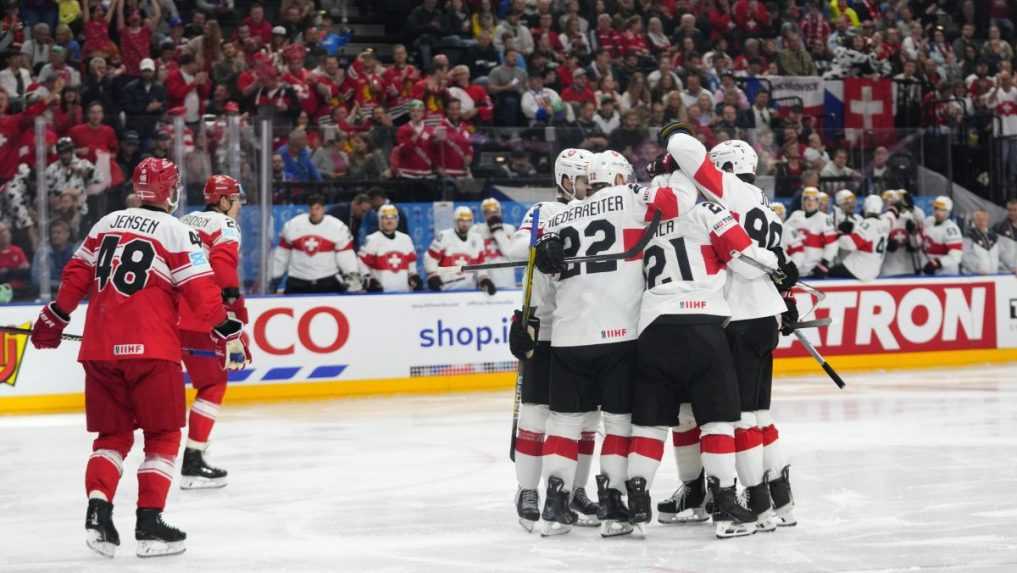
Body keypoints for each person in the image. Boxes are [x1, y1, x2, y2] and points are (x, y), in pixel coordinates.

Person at [28, 157, 244, 558]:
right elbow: (200, 289)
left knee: (111, 437)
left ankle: (98, 511)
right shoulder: (177, 231)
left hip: (98, 349)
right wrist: (226, 327)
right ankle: (149, 525)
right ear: (171, 191)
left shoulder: (105, 222)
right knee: (162, 436)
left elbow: (76, 274)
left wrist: (55, 317)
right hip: (153, 350)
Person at [532, 150, 679, 537]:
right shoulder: (631, 196)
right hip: (619, 335)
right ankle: (613, 506)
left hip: (567, 336)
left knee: (563, 424)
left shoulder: (558, 216)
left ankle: (554, 506)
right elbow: (670, 201)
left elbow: (543, 285)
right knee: (617, 424)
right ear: (617, 178)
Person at [662, 132, 798, 531]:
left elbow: (689, 154)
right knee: (759, 415)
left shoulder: (730, 191)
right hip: (765, 317)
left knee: (735, 419)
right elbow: (778, 266)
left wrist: (674, 134)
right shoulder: (768, 208)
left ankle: (755, 503)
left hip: (736, 317)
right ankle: (779, 500)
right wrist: (785, 302)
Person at [507, 148, 601, 532]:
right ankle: (528, 490)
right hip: (544, 325)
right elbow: (513, 250)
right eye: (582, 180)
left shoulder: (599, 211)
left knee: (585, 419)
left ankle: (574, 489)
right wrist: (542, 242)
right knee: (536, 413)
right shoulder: (543, 211)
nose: (587, 186)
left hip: (584, 325)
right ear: (565, 180)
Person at [177, 175, 251, 490]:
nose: (237, 208)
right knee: (213, 385)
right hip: (202, 316)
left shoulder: (183, 220)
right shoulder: (225, 225)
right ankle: (192, 461)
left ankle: (162, 458)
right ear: (222, 201)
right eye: (235, 201)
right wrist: (234, 310)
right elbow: (222, 267)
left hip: (169, 315)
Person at [270, 194, 361, 293]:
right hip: (298, 281)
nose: (314, 212)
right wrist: (275, 277)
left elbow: (346, 255)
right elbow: (282, 255)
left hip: (327, 281)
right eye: (311, 208)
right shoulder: (292, 225)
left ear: (323, 209)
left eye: (317, 208)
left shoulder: (337, 227)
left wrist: (352, 276)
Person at [424, 206, 495, 294]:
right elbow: (430, 257)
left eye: (468, 220)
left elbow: (481, 264)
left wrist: (484, 278)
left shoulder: (477, 239)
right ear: (455, 221)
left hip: (469, 290)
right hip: (446, 289)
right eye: (462, 220)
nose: (465, 224)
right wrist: (432, 274)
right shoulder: (444, 236)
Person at [358, 205, 421, 293]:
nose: (389, 221)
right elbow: (361, 262)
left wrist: (413, 275)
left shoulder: (406, 239)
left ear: (397, 220)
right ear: (380, 220)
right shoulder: (372, 239)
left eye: (393, 217)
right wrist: (368, 278)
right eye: (385, 218)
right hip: (380, 294)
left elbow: (411, 262)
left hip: (403, 292)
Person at [829, 195, 891, 281]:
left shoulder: (868, 223)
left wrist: (839, 236)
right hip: (873, 271)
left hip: (857, 269)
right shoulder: (884, 224)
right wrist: (853, 229)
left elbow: (850, 244)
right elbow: (870, 236)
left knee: (828, 274)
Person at [784, 187, 838, 277]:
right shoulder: (795, 215)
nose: (810, 202)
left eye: (814, 199)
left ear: (818, 202)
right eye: (807, 199)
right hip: (793, 269)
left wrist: (823, 264)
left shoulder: (824, 218)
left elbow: (832, 244)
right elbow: (783, 235)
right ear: (802, 201)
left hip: (812, 271)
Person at [469, 198, 516, 289]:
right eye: (488, 212)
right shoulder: (476, 230)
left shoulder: (510, 229)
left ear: (500, 212)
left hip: (507, 279)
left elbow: (510, 254)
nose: (492, 215)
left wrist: (498, 232)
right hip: (486, 279)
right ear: (483, 214)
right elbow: (474, 258)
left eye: (495, 212)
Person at [879, 189, 924, 277]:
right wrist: (885, 244)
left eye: (891, 202)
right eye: (885, 201)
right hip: (887, 269)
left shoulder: (908, 218)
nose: (888, 205)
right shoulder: (881, 219)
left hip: (908, 268)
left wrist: (912, 234)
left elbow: (918, 243)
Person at [921, 196, 963, 276]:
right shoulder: (928, 221)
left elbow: (956, 255)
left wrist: (938, 263)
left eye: (942, 210)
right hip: (928, 271)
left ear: (948, 212)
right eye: (936, 208)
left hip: (946, 274)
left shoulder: (951, 229)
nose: (937, 212)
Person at [32, 219, 76, 291]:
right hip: (49, 293)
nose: (55, 236)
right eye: (53, 233)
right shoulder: (42, 253)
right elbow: (37, 280)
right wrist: (61, 285)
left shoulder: (77, 252)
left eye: (58, 233)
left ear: (67, 234)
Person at [961, 209, 1000, 275]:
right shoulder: (968, 236)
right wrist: (978, 270)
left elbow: (997, 257)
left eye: (984, 219)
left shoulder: (994, 237)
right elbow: (964, 258)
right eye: (979, 219)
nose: (982, 222)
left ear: (988, 220)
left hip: (993, 276)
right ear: (974, 220)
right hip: (975, 276)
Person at [993, 199, 1017, 273]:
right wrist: (1012, 267)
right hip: (1007, 272)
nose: (1012, 213)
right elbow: (997, 251)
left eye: (1015, 210)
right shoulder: (999, 227)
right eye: (1009, 210)